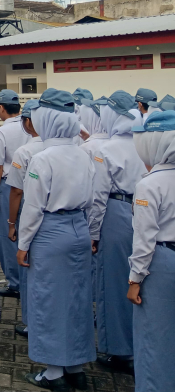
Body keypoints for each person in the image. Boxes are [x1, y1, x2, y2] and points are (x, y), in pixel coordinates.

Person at [17, 89, 95, 390]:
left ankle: (53, 373)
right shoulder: (84, 154)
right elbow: (93, 200)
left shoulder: (41, 159)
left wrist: (23, 244)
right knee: (76, 299)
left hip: (50, 231)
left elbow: (33, 208)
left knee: (48, 299)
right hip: (79, 227)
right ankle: (76, 367)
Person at [90, 90, 143, 374]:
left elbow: (98, 196)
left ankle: (120, 351)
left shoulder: (106, 149)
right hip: (144, 213)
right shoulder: (145, 143)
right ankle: (140, 346)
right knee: (139, 280)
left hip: (116, 213)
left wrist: (93, 232)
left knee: (113, 283)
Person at [128, 110, 175, 392]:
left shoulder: (149, 184)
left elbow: (144, 239)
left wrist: (135, 279)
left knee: (154, 336)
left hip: (161, 263)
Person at [5, 99, 42, 337]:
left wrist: (11, 223)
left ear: (28, 122)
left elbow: (17, 192)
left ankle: (32, 322)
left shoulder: (26, 151)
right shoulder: (72, 148)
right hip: (66, 221)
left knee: (30, 267)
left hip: (32, 212)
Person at [0, 89, 26, 299]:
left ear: (1, 108)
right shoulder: (29, 126)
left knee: (7, 235)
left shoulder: (0, 132)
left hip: (8, 186)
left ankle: (15, 282)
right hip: (31, 186)